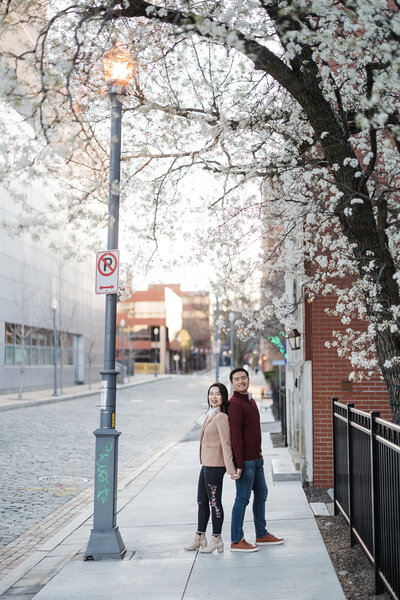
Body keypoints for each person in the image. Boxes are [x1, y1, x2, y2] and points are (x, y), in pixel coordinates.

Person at [228, 367, 284, 552]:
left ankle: (261, 534)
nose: (241, 381)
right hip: (246, 462)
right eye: (237, 379)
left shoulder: (250, 401)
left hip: (257, 458)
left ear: (248, 379)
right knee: (242, 499)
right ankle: (236, 540)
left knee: (262, 494)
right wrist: (239, 464)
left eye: (243, 378)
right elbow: (235, 436)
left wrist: (258, 455)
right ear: (232, 383)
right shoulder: (235, 404)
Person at [184, 382, 240, 554]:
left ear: (223, 397)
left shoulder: (221, 417)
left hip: (216, 465)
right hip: (206, 464)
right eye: (211, 394)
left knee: (214, 502)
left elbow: (226, 443)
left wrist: (231, 469)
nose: (213, 397)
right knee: (201, 501)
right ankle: (200, 537)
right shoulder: (210, 414)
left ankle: (217, 539)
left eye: (217, 394)